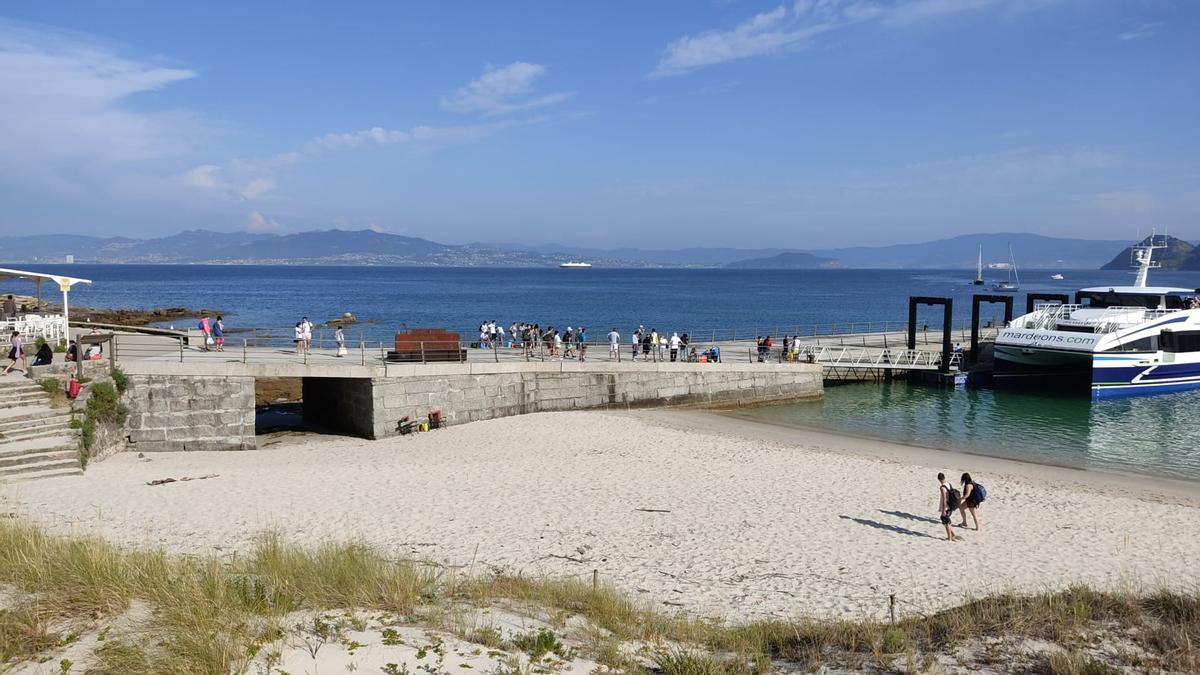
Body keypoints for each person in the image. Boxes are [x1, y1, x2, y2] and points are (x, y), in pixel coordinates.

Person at [938, 473, 962, 542]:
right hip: (951, 505)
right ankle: (953, 534)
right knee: (947, 520)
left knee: (946, 521)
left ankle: (949, 538)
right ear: (944, 478)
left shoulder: (942, 487)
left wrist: (943, 510)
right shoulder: (948, 484)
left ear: (939, 479)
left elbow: (945, 499)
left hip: (947, 506)